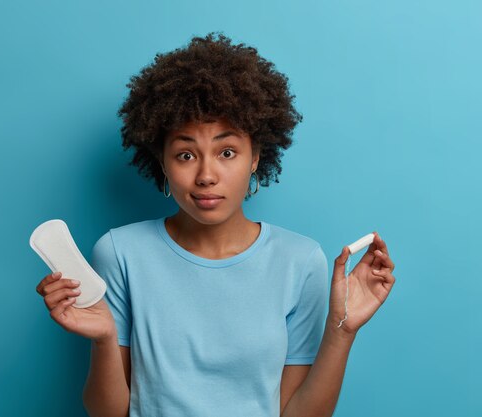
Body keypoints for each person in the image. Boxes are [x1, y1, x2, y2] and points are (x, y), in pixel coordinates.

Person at [35, 32, 396, 417]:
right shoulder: (120, 253)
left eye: (227, 152)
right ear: (162, 162)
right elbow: (107, 412)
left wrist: (341, 331)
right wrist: (106, 338)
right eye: (186, 154)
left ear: (256, 156)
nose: (206, 175)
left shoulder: (301, 260)